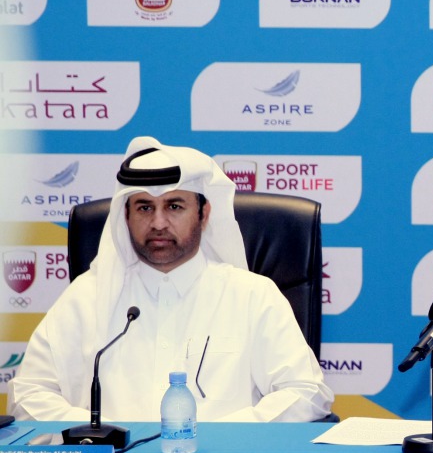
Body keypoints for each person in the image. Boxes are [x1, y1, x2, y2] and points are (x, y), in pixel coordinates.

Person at [9, 136, 334, 422]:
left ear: (204, 214)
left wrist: (224, 439)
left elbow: (306, 393)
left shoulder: (251, 295)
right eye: (144, 208)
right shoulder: (88, 297)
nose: (158, 223)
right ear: (126, 215)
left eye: (174, 206)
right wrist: (100, 434)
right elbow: (27, 395)